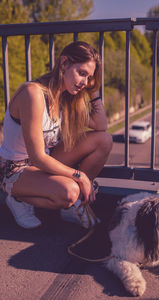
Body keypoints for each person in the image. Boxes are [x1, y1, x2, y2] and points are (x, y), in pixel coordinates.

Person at [0, 41, 113, 229]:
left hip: (45, 160)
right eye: (82, 73)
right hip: (15, 169)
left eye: (89, 77)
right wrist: (81, 176)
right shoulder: (33, 94)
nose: (84, 82)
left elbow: (101, 126)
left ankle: (73, 205)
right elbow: (37, 158)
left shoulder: (67, 96)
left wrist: (93, 92)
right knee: (70, 191)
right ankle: (18, 199)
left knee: (104, 140)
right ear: (64, 63)